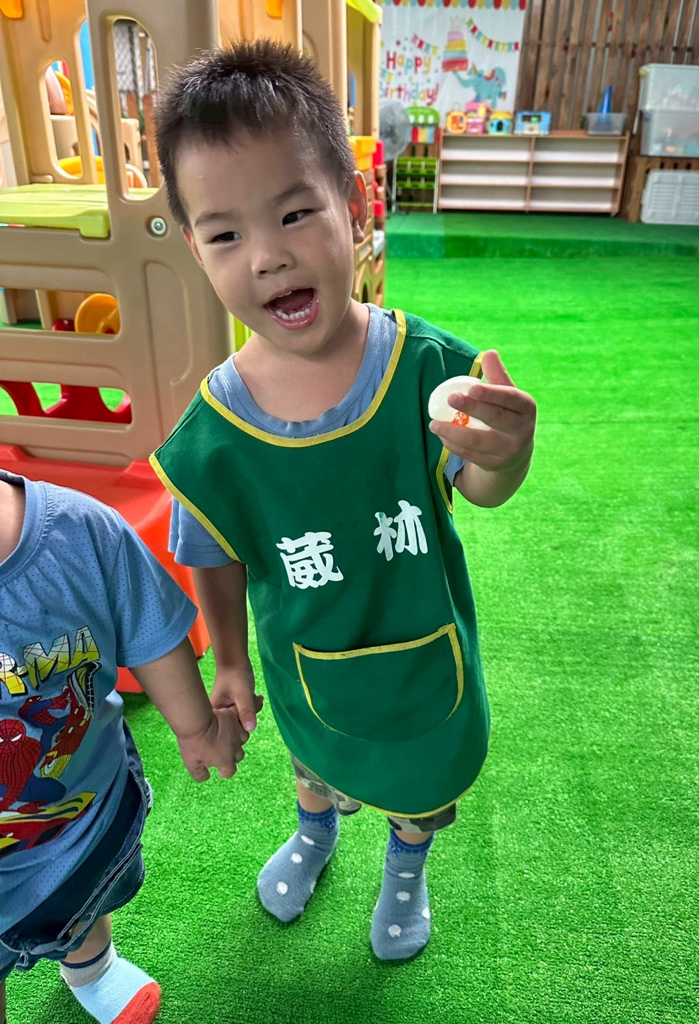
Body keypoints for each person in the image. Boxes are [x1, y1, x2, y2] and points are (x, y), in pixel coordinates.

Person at [150, 39, 536, 962]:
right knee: (313, 759)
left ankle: (406, 866)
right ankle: (315, 831)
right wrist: (229, 662)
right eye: (226, 234)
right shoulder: (217, 430)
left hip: (422, 663)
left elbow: (480, 488)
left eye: (295, 213)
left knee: (420, 785)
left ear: (353, 207)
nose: (269, 256)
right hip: (307, 663)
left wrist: (507, 455)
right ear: (195, 248)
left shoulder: (425, 370)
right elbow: (212, 552)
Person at [0, 469, 255, 1024]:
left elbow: (151, 633)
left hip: (80, 819)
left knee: (85, 903)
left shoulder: (80, 531)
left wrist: (198, 730)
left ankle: (92, 968)